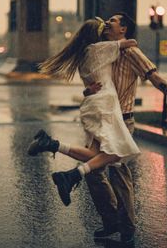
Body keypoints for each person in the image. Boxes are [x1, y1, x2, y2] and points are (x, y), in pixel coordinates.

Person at [82, 12, 167, 243]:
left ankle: (127, 227)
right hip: (102, 120)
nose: (108, 22)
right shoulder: (104, 50)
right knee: (91, 171)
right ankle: (112, 220)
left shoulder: (131, 52)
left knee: (119, 174)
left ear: (123, 29)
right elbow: (93, 85)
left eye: (113, 20)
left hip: (122, 119)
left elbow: (153, 76)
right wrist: (88, 92)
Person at [27, 17, 142, 211]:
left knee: (95, 155)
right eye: (103, 26)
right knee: (116, 152)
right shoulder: (100, 49)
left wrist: (88, 91)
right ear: (97, 34)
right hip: (104, 107)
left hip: (93, 104)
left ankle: (52, 144)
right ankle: (72, 175)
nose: (107, 26)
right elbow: (131, 42)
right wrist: (114, 36)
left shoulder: (85, 53)